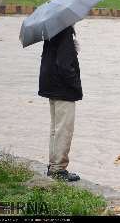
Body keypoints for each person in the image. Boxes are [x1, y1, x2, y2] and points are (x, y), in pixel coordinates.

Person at [39, 25, 82, 182]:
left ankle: (53, 165)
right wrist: (75, 84)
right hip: (63, 89)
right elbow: (64, 65)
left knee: (55, 129)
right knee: (64, 129)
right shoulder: (65, 32)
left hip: (51, 86)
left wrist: (72, 50)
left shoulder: (51, 29)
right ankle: (59, 169)